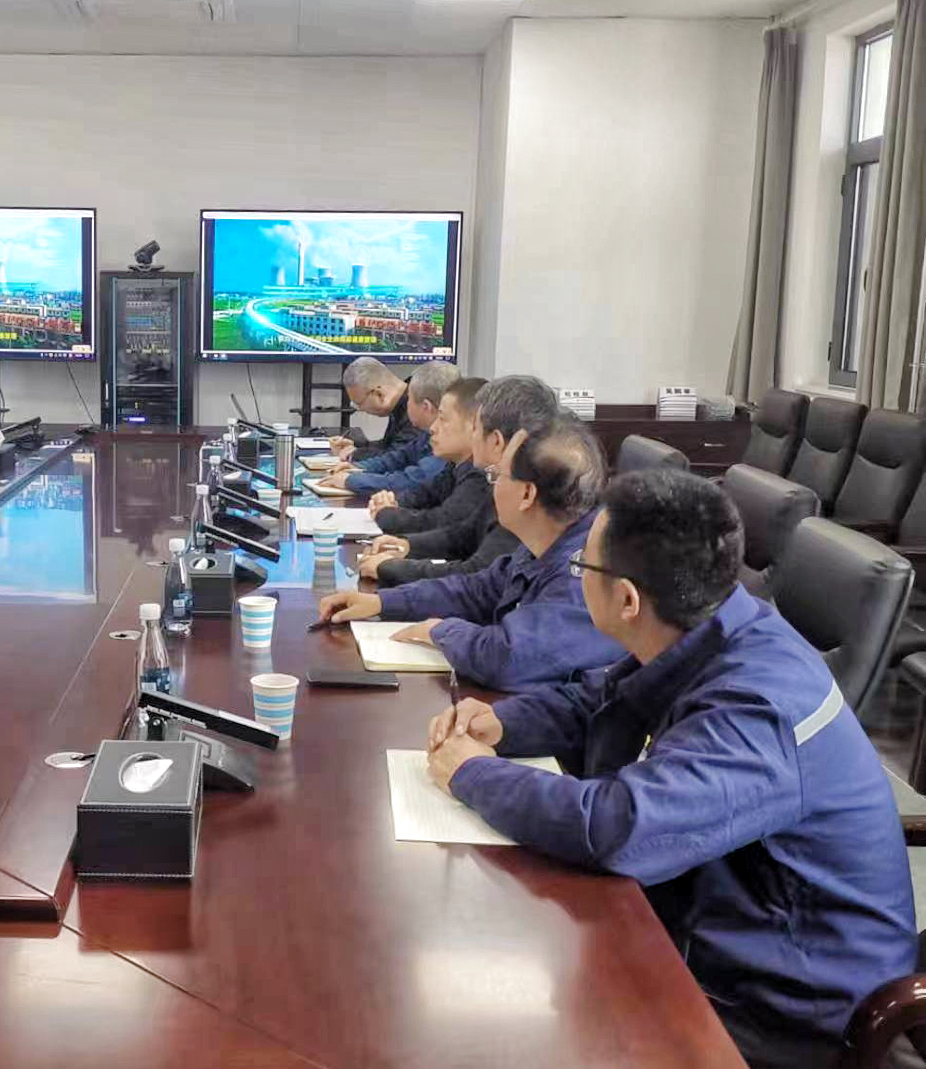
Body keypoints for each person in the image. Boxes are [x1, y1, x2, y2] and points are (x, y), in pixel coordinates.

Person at [423, 469, 915, 1067]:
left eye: (582, 567)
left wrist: (471, 774)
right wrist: (503, 724)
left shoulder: (756, 706)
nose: (577, 576)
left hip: (791, 1005)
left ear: (627, 600)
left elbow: (620, 827)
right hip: (711, 919)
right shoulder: (715, 626)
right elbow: (604, 698)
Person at [318, 416, 624, 689]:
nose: (493, 488)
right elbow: (477, 589)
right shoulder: (548, 540)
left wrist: (442, 631)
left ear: (527, 494)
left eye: (498, 476)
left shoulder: (587, 568)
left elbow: (509, 658)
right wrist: (382, 602)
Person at [359, 375, 556, 585]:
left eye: (477, 427)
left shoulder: (517, 489)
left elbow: (479, 578)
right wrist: (406, 545)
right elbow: (464, 535)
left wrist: (392, 569)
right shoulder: (499, 476)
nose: (433, 428)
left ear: (496, 440)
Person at [323, 360, 457, 496]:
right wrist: (359, 467)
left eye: (409, 399)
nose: (407, 403)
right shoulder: (428, 435)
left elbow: (413, 481)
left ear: (426, 407)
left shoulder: (449, 440)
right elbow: (398, 457)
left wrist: (350, 481)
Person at [327, 357, 421, 462]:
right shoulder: (403, 400)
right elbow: (389, 445)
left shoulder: (418, 406)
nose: (361, 409)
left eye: (359, 404)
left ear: (379, 394)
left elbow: (399, 458)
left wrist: (356, 454)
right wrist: (357, 447)